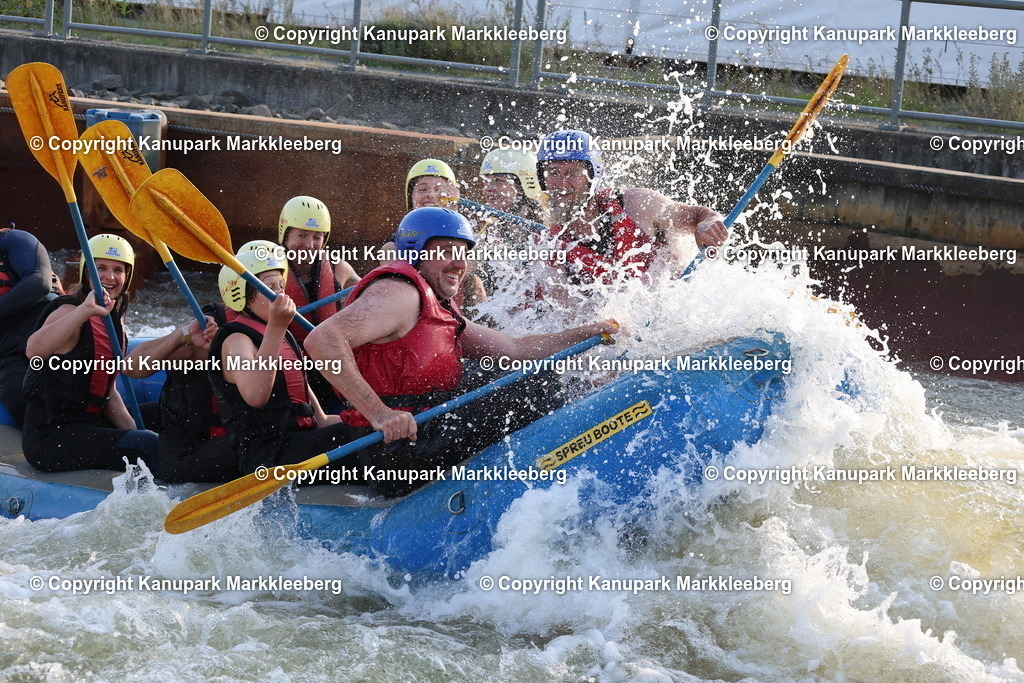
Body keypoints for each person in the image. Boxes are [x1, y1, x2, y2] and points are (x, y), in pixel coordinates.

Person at [304, 207, 619, 497]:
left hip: (424, 428)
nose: (460, 264)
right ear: (416, 252)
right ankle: (560, 467)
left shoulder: (437, 306)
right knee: (540, 383)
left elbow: (515, 350)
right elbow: (322, 340)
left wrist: (588, 331)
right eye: (447, 252)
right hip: (398, 451)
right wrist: (379, 413)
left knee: (522, 372)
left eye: (463, 253)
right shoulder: (397, 292)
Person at [208, 245, 362, 475]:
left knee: (363, 428)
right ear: (241, 295)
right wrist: (276, 327)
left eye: (281, 285)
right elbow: (256, 395)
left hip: (299, 444)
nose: (281, 293)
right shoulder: (236, 341)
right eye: (269, 287)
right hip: (268, 457)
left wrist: (366, 419)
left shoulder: (284, 338)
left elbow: (318, 419)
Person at [22, 234, 159, 473]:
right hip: (52, 437)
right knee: (147, 445)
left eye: (119, 270)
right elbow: (34, 350)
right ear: (87, 272)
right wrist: (84, 310)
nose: (110, 277)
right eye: (101, 268)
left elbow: (107, 391)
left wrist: (134, 429)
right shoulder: (69, 311)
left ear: (127, 278)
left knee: (167, 414)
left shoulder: (114, 321)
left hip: (89, 423)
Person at [537, 129, 729, 286]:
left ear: (592, 176)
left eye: (572, 172)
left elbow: (701, 214)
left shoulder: (636, 204)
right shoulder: (550, 247)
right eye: (553, 173)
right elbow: (566, 321)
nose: (561, 183)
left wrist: (707, 224)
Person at [122, 303, 232, 483]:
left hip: (218, 436)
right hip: (188, 451)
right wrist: (183, 334)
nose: (279, 294)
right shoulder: (203, 340)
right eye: (271, 286)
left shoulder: (277, 328)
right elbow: (130, 367)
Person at [0, 225, 62, 426]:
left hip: (41, 330)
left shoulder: (14, 240)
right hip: (8, 352)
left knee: (25, 394)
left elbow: (39, 282)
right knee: (17, 395)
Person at [277, 196, 358, 346]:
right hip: (285, 354)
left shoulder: (338, 268)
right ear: (286, 234)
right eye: (302, 235)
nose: (309, 245)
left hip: (328, 352)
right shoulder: (268, 270)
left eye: (317, 237)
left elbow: (370, 296)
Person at [479, 148, 548, 240]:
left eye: (498, 180)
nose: (488, 189)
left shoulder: (542, 233)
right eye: (486, 181)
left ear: (521, 187)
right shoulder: (493, 226)